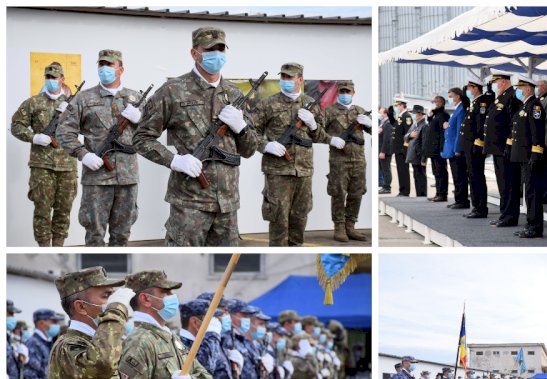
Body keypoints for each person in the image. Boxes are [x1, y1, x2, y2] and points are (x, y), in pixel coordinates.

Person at [133, 28, 257, 246]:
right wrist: (174, 160)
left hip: (227, 205)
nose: (216, 54)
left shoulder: (234, 93)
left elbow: (248, 150)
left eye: (220, 49)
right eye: (209, 49)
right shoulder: (172, 91)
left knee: (222, 266)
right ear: (194, 53)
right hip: (189, 204)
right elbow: (142, 138)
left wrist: (242, 127)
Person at [56, 50, 144, 246]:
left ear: (120, 69)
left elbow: (149, 134)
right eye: (101, 64)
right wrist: (82, 154)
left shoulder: (136, 98)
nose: (104, 68)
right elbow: (64, 131)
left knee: (122, 234)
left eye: (109, 65)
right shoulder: (83, 98)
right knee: (94, 235)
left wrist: (140, 120)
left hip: (127, 177)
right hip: (96, 177)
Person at [251, 63, 338, 246]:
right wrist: (266, 146)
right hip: (277, 171)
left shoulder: (310, 104)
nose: (285, 80)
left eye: (290, 77)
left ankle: (296, 248)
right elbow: (250, 132)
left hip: (304, 171)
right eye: (283, 77)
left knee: (300, 216)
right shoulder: (268, 103)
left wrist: (313, 124)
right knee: (278, 218)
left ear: (300, 79)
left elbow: (322, 136)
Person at [11, 62, 78, 247]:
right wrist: (34, 137)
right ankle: (44, 249)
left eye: (54, 77)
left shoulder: (72, 104)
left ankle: (58, 247)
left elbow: (88, 127)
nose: (51, 80)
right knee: (42, 210)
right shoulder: (33, 102)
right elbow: (16, 126)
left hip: (67, 166)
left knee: (64, 210)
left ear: (62, 79)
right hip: (41, 165)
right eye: (47, 77)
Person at [321, 80, 371, 242]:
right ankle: (339, 227)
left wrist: (370, 124)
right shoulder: (329, 111)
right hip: (339, 160)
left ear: (353, 93)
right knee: (338, 193)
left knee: (357, 193)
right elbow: (317, 132)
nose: (344, 95)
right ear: (337, 93)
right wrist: (332, 140)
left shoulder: (360, 111)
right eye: (342, 92)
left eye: (347, 92)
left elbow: (374, 131)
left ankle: (351, 226)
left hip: (359, 159)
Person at [509, 75, 546, 238]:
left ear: (529, 88)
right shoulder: (524, 105)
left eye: (520, 88)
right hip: (522, 156)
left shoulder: (535, 106)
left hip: (530, 156)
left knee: (533, 193)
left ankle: (535, 227)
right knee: (528, 192)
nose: (517, 90)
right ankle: (530, 224)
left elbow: (537, 132)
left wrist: (536, 153)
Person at [484, 71, 521, 227]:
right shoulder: (501, 98)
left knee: (509, 183)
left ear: (504, 82)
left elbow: (514, 124)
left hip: (506, 148)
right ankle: (504, 213)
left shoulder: (512, 98)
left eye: (497, 82)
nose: (495, 85)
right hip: (498, 149)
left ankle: (510, 216)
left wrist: (509, 144)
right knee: (502, 183)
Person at [459, 76, 493, 218]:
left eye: (469, 88)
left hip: (475, 146)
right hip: (469, 146)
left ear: (475, 88)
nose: (467, 90)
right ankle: (476, 206)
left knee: (477, 176)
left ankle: (480, 207)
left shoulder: (482, 103)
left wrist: (478, 144)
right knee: (472, 176)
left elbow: (480, 125)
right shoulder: (474, 103)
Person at [442, 88, 470, 209]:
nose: (450, 98)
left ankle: (462, 200)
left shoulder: (461, 110)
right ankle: (458, 199)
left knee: (460, 176)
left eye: (451, 96)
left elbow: (460, 131)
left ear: (458, 96)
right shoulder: (456, 109)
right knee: (456, 176)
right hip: (451, 148)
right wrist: (446, 126)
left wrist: (458, 149)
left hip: (456, 149)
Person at [423, 96, 450, 201]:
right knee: (436, 172)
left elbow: (443, 133)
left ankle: (443, 194)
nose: (436, 103)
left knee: (441, 171)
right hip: (433, 149)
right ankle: (438, 193)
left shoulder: (443, 115)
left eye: (438, 101)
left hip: (438, 148)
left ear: (442, 103)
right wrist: (430, 117)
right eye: (434, 101)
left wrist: (442, 148)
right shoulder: (435, 115)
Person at [405, 105, 428, 196]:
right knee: (416, 176)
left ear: (420, 114)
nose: (413, 115)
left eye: (414, 113)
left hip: (419, 155)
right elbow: (405, 136)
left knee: (421, 176)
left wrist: (423, 159)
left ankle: (422, 194)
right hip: (413, 155)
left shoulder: (424, 125)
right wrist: (410, 135)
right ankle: (419, 194)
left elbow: (425, 143)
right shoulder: (415, 125)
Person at [391, 94, 412, 197]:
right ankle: (402, 190)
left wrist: (405, 148)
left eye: (397, 105)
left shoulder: (407, 116)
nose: (396, 107)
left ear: (402, 105)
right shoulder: (400, 117)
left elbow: (407, 133)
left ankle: (405, 191)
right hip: (398, 148)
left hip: (402, 149)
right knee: (400, 170)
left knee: (403, 170)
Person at [378, 106, 395, 194]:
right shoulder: (383, 123)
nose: (379, 114)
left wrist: (383, 151)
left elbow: (387, 139)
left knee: (386, 169)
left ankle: (387, 187)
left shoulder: (387, 123)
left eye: (380, 113)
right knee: (384, 169)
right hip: (381, 149)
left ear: (385, 113)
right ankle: (385, 186)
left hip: (385, 150)